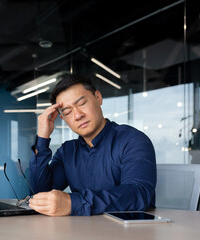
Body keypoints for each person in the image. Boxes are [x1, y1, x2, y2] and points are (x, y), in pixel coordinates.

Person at [28, 74, 156, 216]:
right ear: (62, 118)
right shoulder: (67, 151)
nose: (77, 115)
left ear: (98, 98)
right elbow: (40, 195)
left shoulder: (132, 140)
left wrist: (73, 203)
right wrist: (42, 139)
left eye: (82, 103)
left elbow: (138, 194)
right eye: (68, 112)